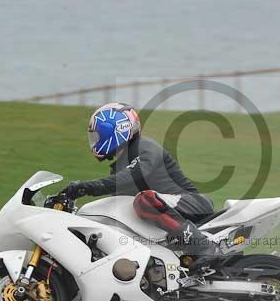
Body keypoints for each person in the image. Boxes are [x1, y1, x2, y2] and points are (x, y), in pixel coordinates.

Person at [63, 102, 222, 272]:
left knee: (145, 200)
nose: (95, 141)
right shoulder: (119, 167)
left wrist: (89, 187)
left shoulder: (143, 146)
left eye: (98, 135)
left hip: (192, 204)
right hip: (167, 215)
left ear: (116, 130)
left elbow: (136, 174)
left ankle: (204, 247)